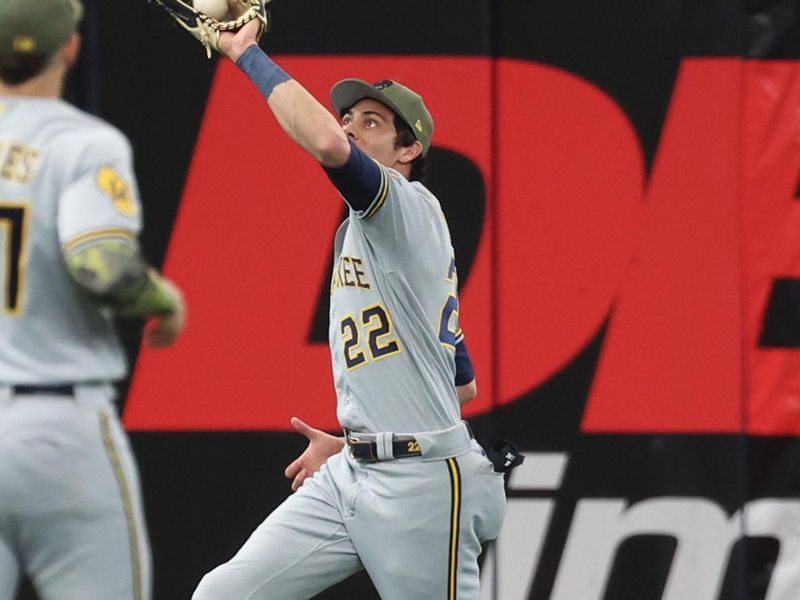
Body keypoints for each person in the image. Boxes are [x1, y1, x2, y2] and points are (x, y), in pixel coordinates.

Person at [190, 18, 506, 600]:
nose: (351, 128)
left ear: (409, 148)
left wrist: (246, 52)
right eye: (349, 116)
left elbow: (327, 146)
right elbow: (462, 386)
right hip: (352, 471)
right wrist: (358, 440)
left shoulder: (405, 206)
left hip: (422, 486)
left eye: (373, 122)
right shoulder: (366, 235)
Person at [0, 1, 186, 599]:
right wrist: (163, 298)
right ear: (70, 48)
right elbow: (100, 266)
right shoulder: (82, 143)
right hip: (57, 424)